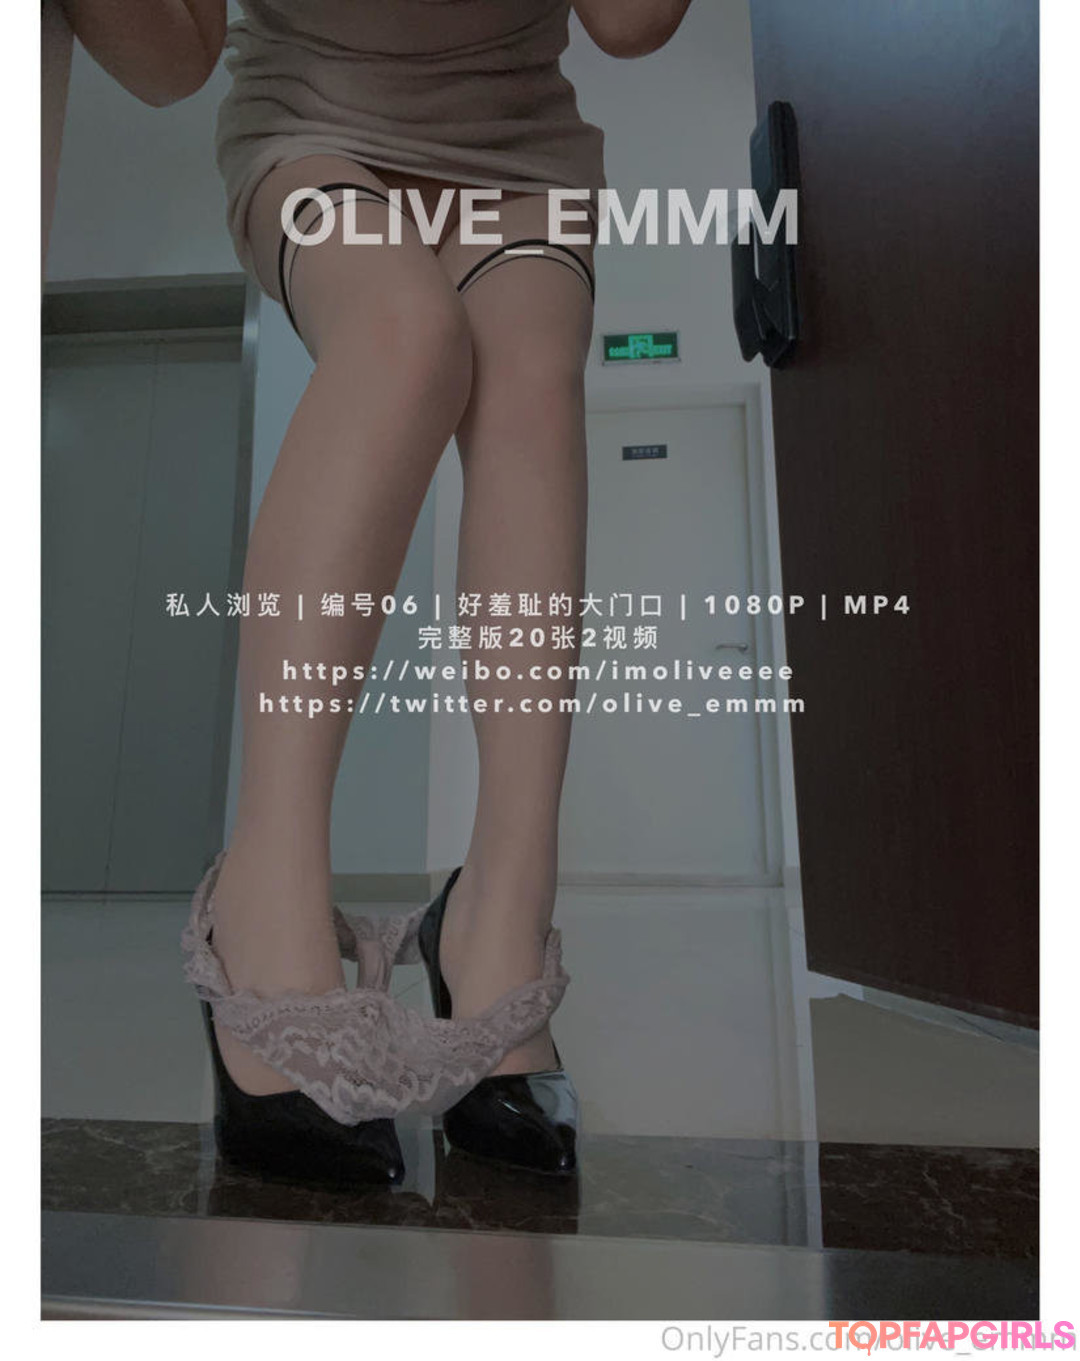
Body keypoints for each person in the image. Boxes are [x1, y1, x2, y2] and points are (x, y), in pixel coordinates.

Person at [58, 0, 694, 1180]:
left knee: (530, 380)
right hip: (315, 123)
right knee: (407, 336)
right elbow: (171, 62)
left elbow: (630, 23)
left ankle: (500, 921)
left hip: (517, 144)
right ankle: (266, 892)